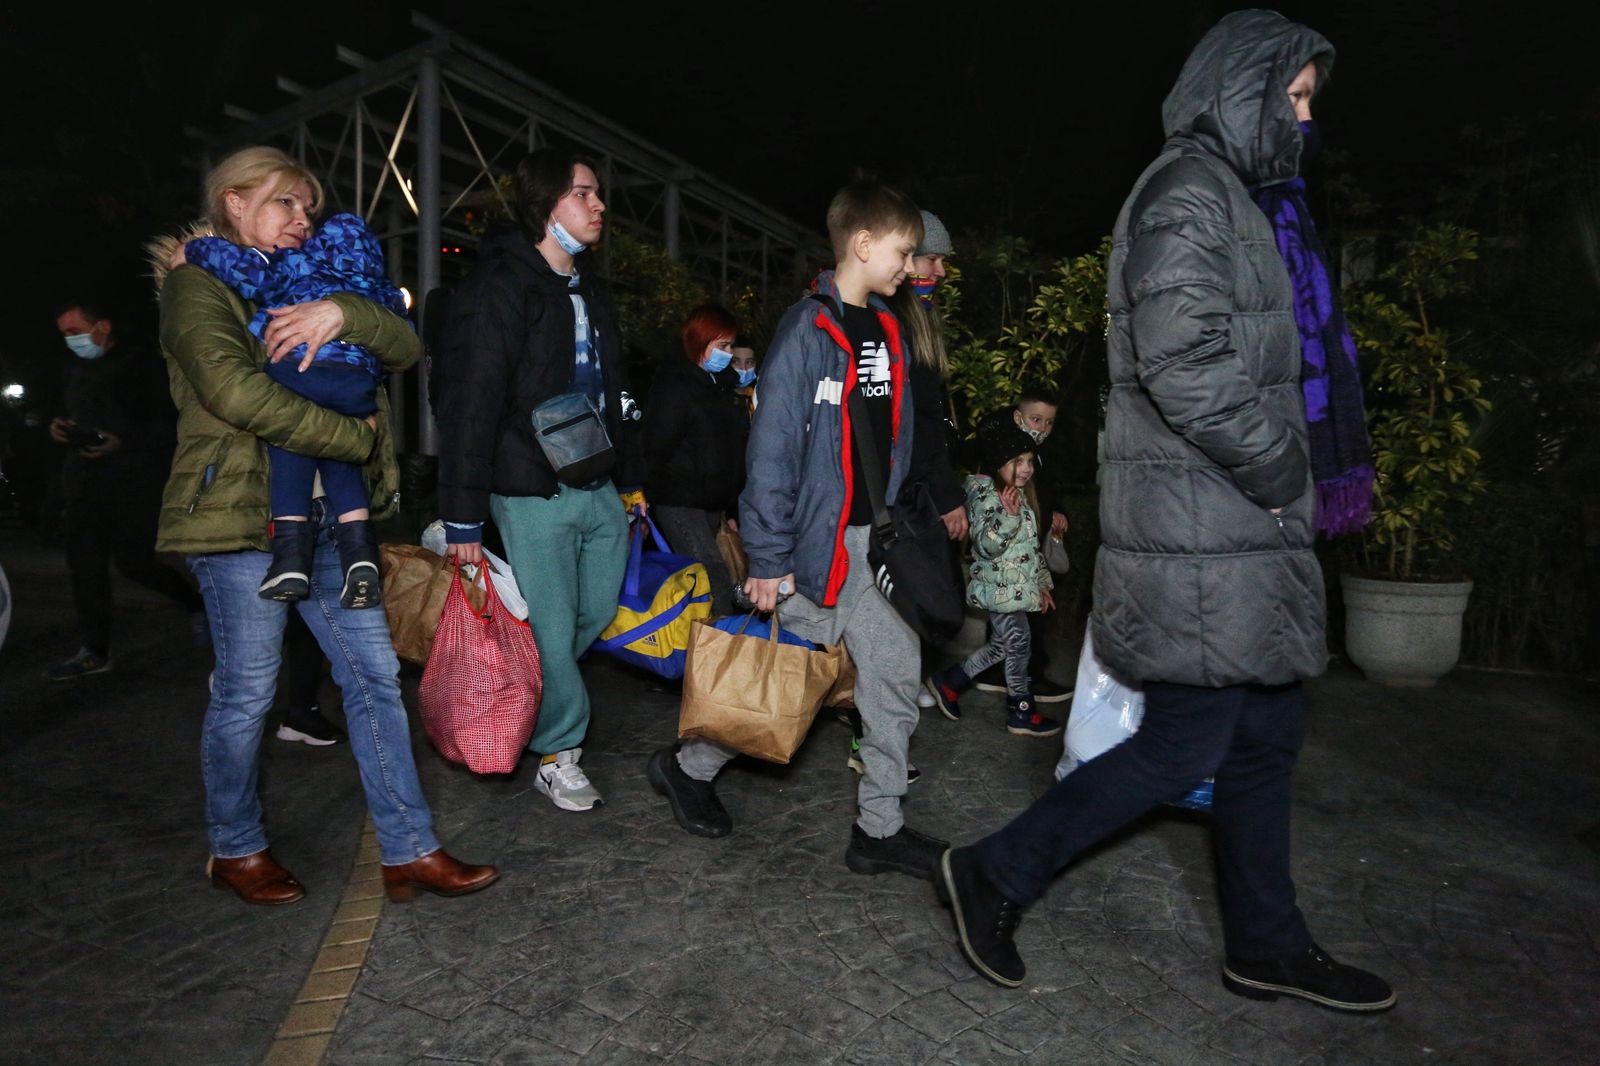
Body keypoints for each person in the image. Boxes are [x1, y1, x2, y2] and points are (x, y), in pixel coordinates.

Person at [935, 11, 1395, 1013]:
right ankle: (993, 869)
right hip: (1206, 525)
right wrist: (1283, 468)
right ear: (1242, 89)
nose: (1305, 120)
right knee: (1185, 743)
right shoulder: (1190, 192)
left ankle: (1265, 944)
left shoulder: (1236, 196)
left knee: (1265, 737)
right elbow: (1184, 363)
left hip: (1236, 530)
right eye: (1294, 96)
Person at [152, 145, 497, 905]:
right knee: (249, 691)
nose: (302, 218)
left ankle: (410, 849)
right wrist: (353, 439)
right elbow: (232, 391)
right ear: (235, 201)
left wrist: (345, 311)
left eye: (308, 206)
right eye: (285, 201)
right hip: (242, 519)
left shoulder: (321, 276)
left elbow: (404, 343)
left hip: (331, 520)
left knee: (374, 677)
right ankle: (235, 848)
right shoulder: (196, 284)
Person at [648, 178, 947, 881]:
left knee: (894, 680)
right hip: (817, 547)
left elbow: (897, 438)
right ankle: (688, 766)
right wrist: (767, 555)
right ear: (863, 244)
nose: (910, 266)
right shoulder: (807, 330)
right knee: (786, 678)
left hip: (876, 546)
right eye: (904, 252)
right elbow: (774, 449)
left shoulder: (890, 328)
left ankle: (879, 829)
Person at [435, 148, 644, 814]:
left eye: (597, 193)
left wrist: (631, 479)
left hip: (596, 480)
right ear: (545, 204)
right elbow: (469, 404)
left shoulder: (589, 289)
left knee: (594, 610)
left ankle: (523, 687)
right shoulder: (498, 289)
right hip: (529, 486)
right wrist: (463, 515)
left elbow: (615, 391)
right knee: (552, 627)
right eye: (583, 193)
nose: (598, 205)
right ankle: (559, 753)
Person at [181, 212, 407, 609]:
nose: (302, 222)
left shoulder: (299, 263)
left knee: (291, 447)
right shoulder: (381, 288)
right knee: (341, 458)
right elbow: (402, 338)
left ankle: (290, 559)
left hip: (301, 370)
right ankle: (361, 557)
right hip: (355, 386)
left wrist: (197, 248)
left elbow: (248, 272)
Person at [46, 299, 207, 680]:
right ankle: (95, 651)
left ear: (102, 326)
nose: (69, 340)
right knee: (85, 569)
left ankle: (195, 604)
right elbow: (67, 413)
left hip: (133, 484)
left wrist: (123, 441)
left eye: (74, 331)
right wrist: (58, 428)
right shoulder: (73, 370)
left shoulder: (144, 366)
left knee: (136, 563)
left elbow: (172, 426)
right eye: (64, 334)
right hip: (83, 484)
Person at [925, 419, 1062, 737]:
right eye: (1018, 461)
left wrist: (1041, 584)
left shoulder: (1018, 494)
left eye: (1030, 461)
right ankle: (1021, 710)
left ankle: (950, 682)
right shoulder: (986, 497)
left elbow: (1029, 549)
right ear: (998, 462)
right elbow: (986, 546)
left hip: (1016, 588)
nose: (1027, 468)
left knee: (1002, 645)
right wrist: (1008, 518)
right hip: (999, 589)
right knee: (1019, 643)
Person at [641, 303, 750, 615]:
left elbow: (730, 454)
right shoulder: (675, 386)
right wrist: (644, 492)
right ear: (699, 341)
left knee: (714, 576)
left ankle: (710, 638)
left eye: (730, 346)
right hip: (679, 500)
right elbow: (655, 446)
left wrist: (730, 510)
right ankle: (717, 641)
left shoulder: (720, 387)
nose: (728, 353)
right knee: (710, 575)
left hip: (711, 503)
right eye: (722, 346)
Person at [970, 387, 1073, 703]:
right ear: (1018, 417)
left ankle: (995, 679)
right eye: (1036, 419)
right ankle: (1021, 693)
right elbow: (987, 534)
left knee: (1018, 629)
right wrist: (1010, 519)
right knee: (1016, 631)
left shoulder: (1037, 454)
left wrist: (1056, 512)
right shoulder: (1000, 456)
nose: (1043, 428)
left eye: (1049, 422)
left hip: (1028, 550)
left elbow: (1045, 492)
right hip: (1006, 562)